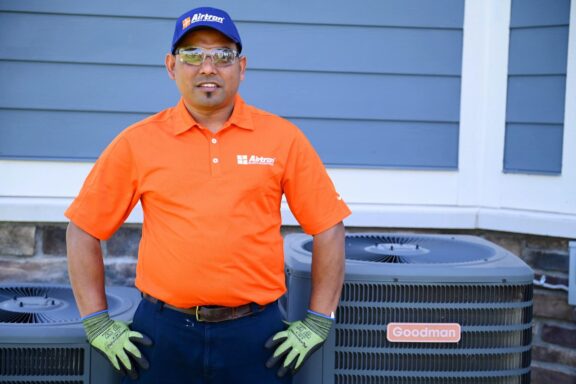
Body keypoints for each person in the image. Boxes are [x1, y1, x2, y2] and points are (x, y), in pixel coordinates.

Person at [65, 6, 350, 384]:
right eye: (193, 55)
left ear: (242, 66)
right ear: (171, 66)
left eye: (222, 56)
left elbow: (328, 227)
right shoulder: (138, 142)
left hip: (258, 338)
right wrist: (97, 322)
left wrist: (317, 320)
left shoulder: (283, 139)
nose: (208, 67)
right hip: (161, 337)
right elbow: (83, 229)